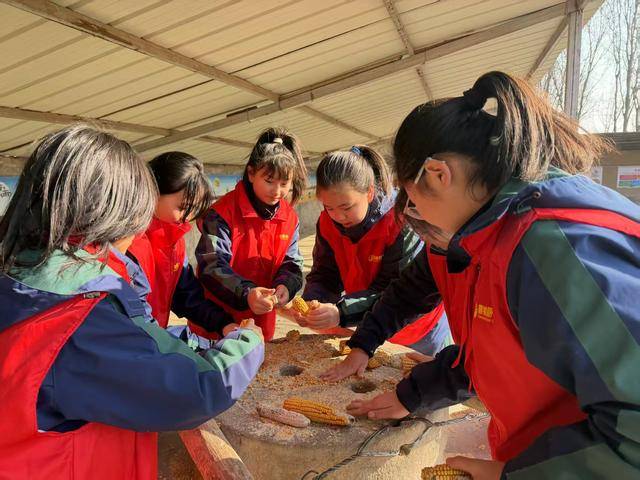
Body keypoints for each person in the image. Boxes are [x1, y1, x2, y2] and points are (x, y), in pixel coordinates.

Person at [330, 72, 640, 478]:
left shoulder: (553, 247)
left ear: (437, 175)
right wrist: (414, 390)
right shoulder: (497, 233)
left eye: (415, 201)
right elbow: (493, 353)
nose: (417, 218)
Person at [0, 125, 264, 479]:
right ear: (106, 215)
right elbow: (196, 389)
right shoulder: (80, 314)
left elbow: (138, 336)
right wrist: (248, 343)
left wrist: (203, 334)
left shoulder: (20, 275)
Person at [298, 145, 448, 358]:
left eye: (346, 207)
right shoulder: (327, 223)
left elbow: (397, 292)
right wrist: (314, 301)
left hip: (416, 329)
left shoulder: (401, 222)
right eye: (329, 208)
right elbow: (325, 273)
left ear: (369, 192)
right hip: (368, 323)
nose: (338, 216)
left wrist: (342, 312)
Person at [195, 127, 307, 341]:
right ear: (251, 173)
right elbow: (212, 265)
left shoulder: (290, 217)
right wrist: (247, 293)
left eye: (284, 184)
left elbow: (292, 262)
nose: (277, 191)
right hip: (217, 322)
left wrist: (286, 286)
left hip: (260, 323)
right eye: (269, 181)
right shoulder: (222, 213)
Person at [127, 151, 237, 337]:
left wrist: (224, 323)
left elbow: (187, 295)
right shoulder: (128, 244)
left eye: (194, 209)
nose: (188, 217)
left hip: (151, 340)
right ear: (153, 191)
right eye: (183, 207)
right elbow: (138, 319)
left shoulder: (174, 242)